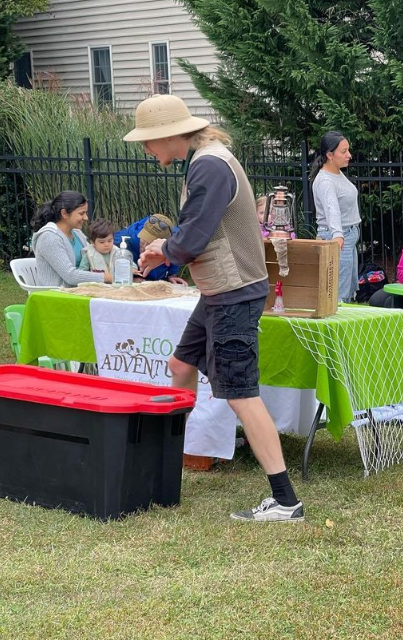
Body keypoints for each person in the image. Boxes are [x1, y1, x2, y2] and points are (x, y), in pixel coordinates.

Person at [125, 94, 302, 522]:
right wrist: (167, 250)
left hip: (233, 292)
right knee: (180, 366)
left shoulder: (208, 164)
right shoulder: (206, 158)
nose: (147, 150)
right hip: (223, 289)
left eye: (148, 142)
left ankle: (285, 502)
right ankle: (172, 462)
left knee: (242, 395)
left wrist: (159, 249)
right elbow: (195, 235)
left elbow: (190, 239)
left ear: (168, 135)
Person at [311, 131, 361, 302]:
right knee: (338, 294)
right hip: (338, 238)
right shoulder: (325, 181)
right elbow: (332, 209)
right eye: (344, 151)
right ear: (329, 155)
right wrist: (337, 235)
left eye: (348, 150)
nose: (349, 155)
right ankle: (335, 328)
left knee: (348, 288)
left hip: (348, 236)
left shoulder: (337, 173)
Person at [30, 190, 112, 287]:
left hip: (79, 290)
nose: (86, 218)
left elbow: (92, 256)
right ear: (64, 213)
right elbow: (71, 276)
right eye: (81, 213)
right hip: (56, 295)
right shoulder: (49, 238)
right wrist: (106, 277)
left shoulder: (77, 234)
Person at [114, 214, 186, 284]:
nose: (144, 246)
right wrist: (132, 275)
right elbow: (108, 244)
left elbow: (176, 253)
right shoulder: (129, 236)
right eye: (143, 240)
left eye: (149, 243)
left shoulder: (177, 240)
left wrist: (172, 275)